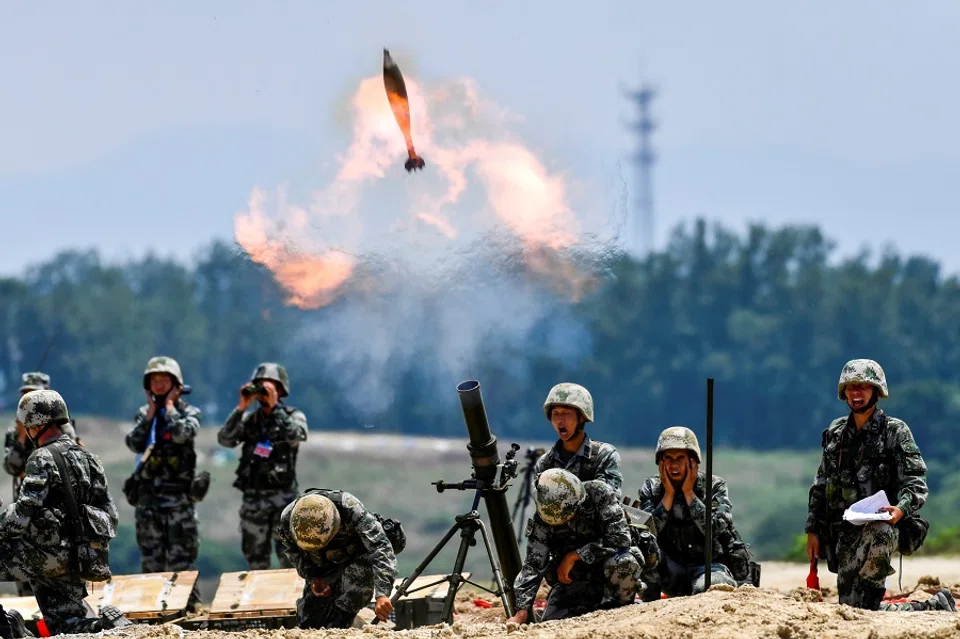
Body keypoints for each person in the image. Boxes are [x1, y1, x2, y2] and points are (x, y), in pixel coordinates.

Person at [805, 359, 955, 612]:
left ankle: (902, 604)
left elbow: (916, 480)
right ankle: (932, 607)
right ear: (844, 392)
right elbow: (821, 485)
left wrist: (901, 509)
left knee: (878, 532)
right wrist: (813, 529)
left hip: (886, 527)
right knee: (854, 608)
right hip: (845, 530)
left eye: (863, 386)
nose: (856, 392)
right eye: (851, 386)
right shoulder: (836, 433)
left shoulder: (895, 431)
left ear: (876, 391)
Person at [0, 390, 132, 634]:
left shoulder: (41, 458)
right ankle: (103, 627)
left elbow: (20, 518)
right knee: (67, 626)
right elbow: (111, 514)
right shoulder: (89, 457)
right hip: (83, 558)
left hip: (46, 556)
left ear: (32, 424)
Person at [506, 469, 645, 624]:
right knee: (551, 624)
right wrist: (521, 612)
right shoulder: (543, 518)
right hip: (573, 579)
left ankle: (624, 609)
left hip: (609, 571)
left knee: (625, 562)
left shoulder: (599, 493)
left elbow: (620, 538)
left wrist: (574, 556)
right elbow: (533, 565)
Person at [637, 426, 755, 600]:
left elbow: (715, 528)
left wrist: (688, 493)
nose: (674, 465)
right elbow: (647, 532)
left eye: (680, 458)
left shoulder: (714, 486)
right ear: (660, 462)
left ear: (693, 461)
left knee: (707, 590)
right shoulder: (652, 488)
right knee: (645, 549)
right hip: (670, 570)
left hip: (708, 567)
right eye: (668, 458)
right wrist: (668, 495)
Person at [124, 356, 204, 609]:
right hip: (148, 502)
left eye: (164, 380)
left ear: (176, 384)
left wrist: (169, 407)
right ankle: (152, 611)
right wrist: (150, 415)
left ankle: (188, 611)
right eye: (154, 380)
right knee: (151, 560)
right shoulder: (145, 415)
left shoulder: (188, 412)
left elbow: (183, 434)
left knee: (182, 562)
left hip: (179, 501)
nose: (158, 385)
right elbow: (133, 443)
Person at [218, 363, 308, 569]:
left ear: (280, 389)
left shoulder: (293, 416)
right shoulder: (250, 420)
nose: (263, 392)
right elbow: (225, 439)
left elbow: (297, 435)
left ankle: (290, 601)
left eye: (268, 387)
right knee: (255, 560)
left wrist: (275, 408)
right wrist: (241, 407)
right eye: (259, 387)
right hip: (253, 500)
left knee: (290, 559)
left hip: (283, 500)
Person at [3, 372, 81, 597]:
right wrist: (21, 434)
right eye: (26, 394)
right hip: (26, 499)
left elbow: (71, 459)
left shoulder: (61, 429)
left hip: (56, 506)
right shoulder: (16, 430)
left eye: (34, 394)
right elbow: (11, 465)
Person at [276, 490, 397, 629]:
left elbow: (381, 547)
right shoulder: (288, 519)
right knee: (309, 620)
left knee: (344, 612)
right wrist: (314, 577)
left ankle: (343, 622)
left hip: (356, 555)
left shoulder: (351, 509)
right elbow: (294, 554)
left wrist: (382, 594)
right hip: (322, 563)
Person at [534, 383, 623, 498]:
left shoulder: (604, 456)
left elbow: (609, 499)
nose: (560, 420)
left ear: (582, 417)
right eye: (555, 413)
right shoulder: (545, 463)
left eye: (566, 413)